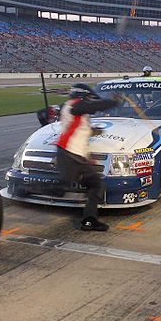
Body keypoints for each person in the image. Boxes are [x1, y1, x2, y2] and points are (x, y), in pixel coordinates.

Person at [56, 83, 120, 231]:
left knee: (87, 185)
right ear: (82, 96)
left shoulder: (70, 106)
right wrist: (114, 102)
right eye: (88, 98)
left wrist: (92, 131)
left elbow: (77, 126)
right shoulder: (76, 106)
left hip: (70, 153)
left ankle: (89, 220)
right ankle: (89, 220)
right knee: (94, 185)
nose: (90, 101)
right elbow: (92, 107)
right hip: (71, 153)